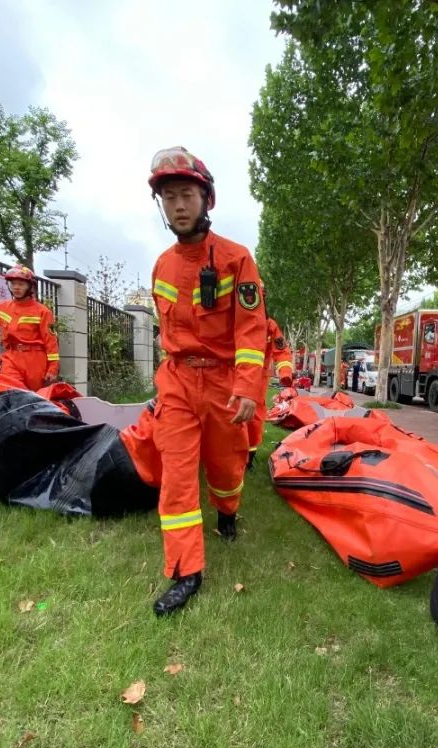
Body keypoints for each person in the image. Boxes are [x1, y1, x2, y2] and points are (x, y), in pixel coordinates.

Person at [147, 146, 267, 617]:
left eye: (187, 195)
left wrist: (246, 388)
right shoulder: (160, 266)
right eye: (170, 196)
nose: (178, 205)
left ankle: (228, 512)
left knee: (226, 465)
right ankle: (185, 570)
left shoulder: (238, 260)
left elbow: (251, 331)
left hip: (222, 384)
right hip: (177, 381)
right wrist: (164, 387)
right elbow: (166, 331)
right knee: (176, 475)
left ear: (207, 200)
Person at [246, 314, 293, 472]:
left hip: (258, 379)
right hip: (229, 375)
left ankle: (248, 460)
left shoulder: (269, 325)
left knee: (254, 420)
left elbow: (282, 351)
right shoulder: (232, 318)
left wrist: (285, 372)